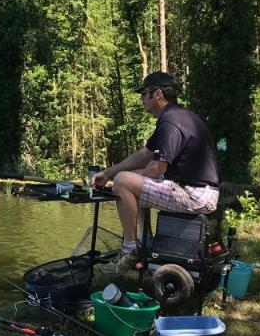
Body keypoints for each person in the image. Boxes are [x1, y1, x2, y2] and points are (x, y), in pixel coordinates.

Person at [90, 71, 220, 271]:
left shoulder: (170, 121)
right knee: (128, 176)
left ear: (157, 94)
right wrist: (108, 173)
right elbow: (145, 155)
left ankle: (130, 250)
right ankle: (145, 242)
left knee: (125, 181)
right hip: (196, 190)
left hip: (196, 195)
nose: (141, 98)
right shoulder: (177, 116)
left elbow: (156, 168)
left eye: (143, 93)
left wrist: (120, 181)